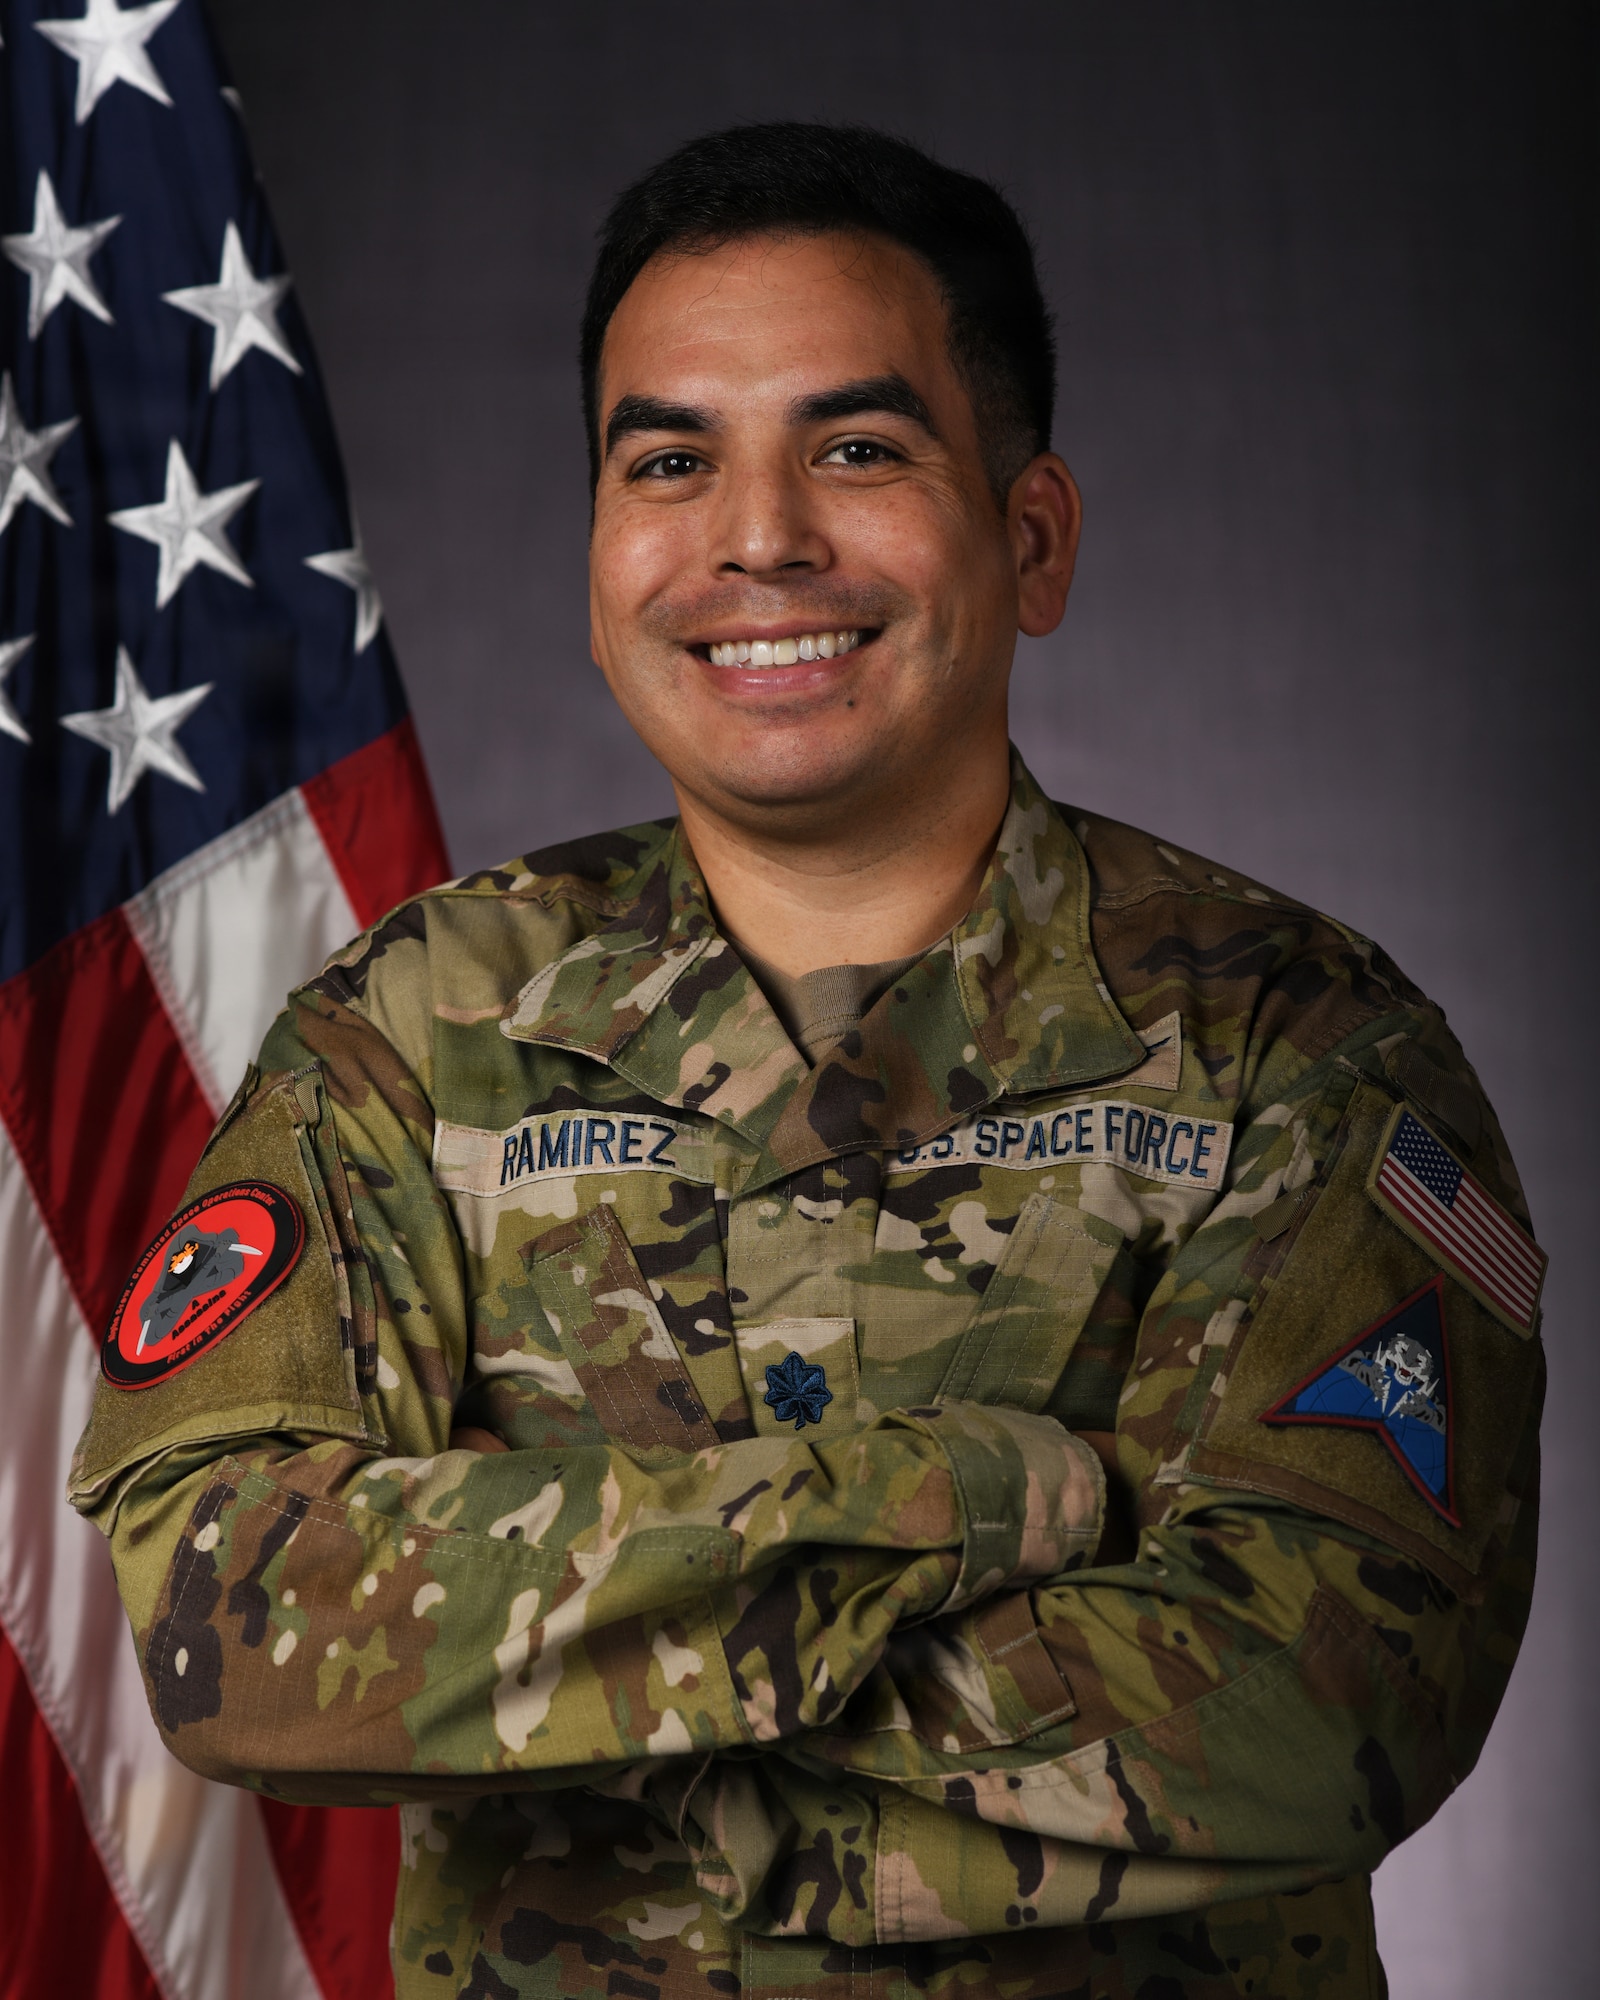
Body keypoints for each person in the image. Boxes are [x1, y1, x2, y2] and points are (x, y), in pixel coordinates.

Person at [72, 124, 1545, 2000]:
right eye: (670, 459)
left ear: (1028, 538)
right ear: (601, 548)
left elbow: (1330, 1695)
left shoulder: (1299, 1044)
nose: (756, 536)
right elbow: (232, 1621)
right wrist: (977, 1492)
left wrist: (640, 1772)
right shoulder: (417, 1031)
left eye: (857, 447)